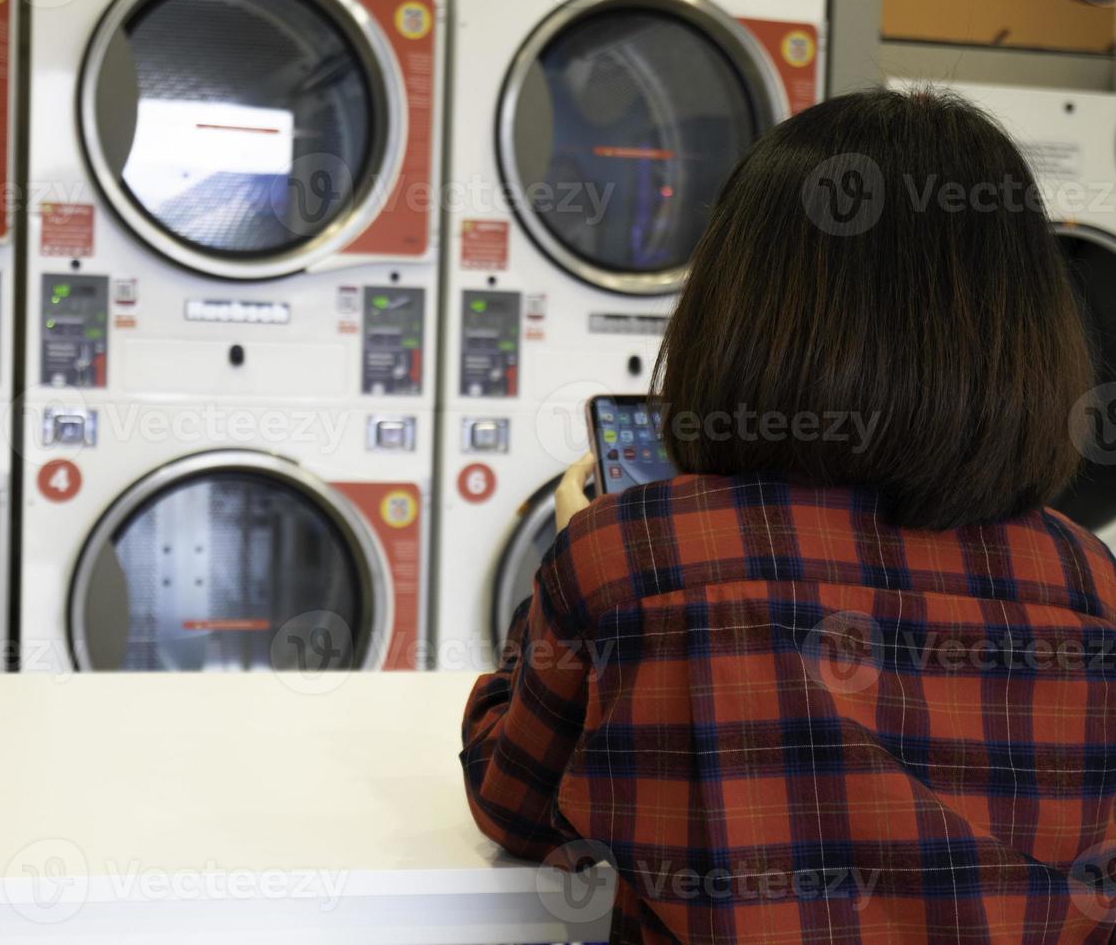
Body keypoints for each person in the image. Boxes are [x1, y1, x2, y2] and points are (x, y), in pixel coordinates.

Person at [460, 89, 1116, 943]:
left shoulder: (634, 555)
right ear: (1028, 331)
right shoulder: (1089, 584)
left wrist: (566, 558)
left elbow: (512, 800)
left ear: (735, 313)